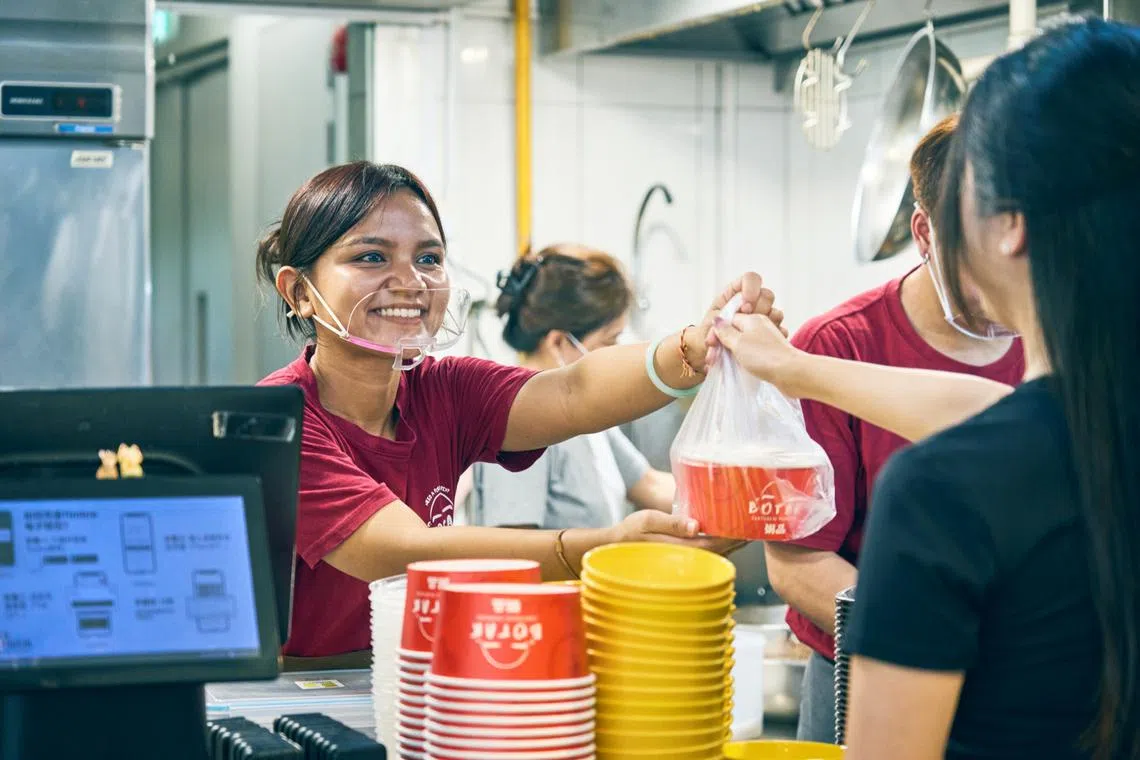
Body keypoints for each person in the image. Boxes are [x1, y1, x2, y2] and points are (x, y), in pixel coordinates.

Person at [716, 17, 1140, 759]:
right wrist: (792, 368)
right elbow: (998, 417)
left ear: (1008, 225)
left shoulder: (943, 488)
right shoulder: (1083, 432)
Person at [255, 161, 779, 659]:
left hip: (418, 673)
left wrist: (698, 344)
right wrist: (603, 549)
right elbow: (404, 551)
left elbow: (574, 392)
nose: (410, 281)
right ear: (299, 290)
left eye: (428, 258)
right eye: (371, 257)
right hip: (305, 689)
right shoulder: (280, 420)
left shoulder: (445, 390)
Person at [761, 113, 1025, 744]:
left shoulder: (1066, 339)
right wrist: (944, 638)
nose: (1000, 294)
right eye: (974, 264)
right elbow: (798, 561)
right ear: (924, 234)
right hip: (865, 672)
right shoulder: (833, 350)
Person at [469, 244, 675, 529]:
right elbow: (513, 549)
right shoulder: (519, 420)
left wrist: (738, 498)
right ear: (559, 343)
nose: (617, 355)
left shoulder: (586, 412)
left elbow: (650, 485)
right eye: (609, 343)